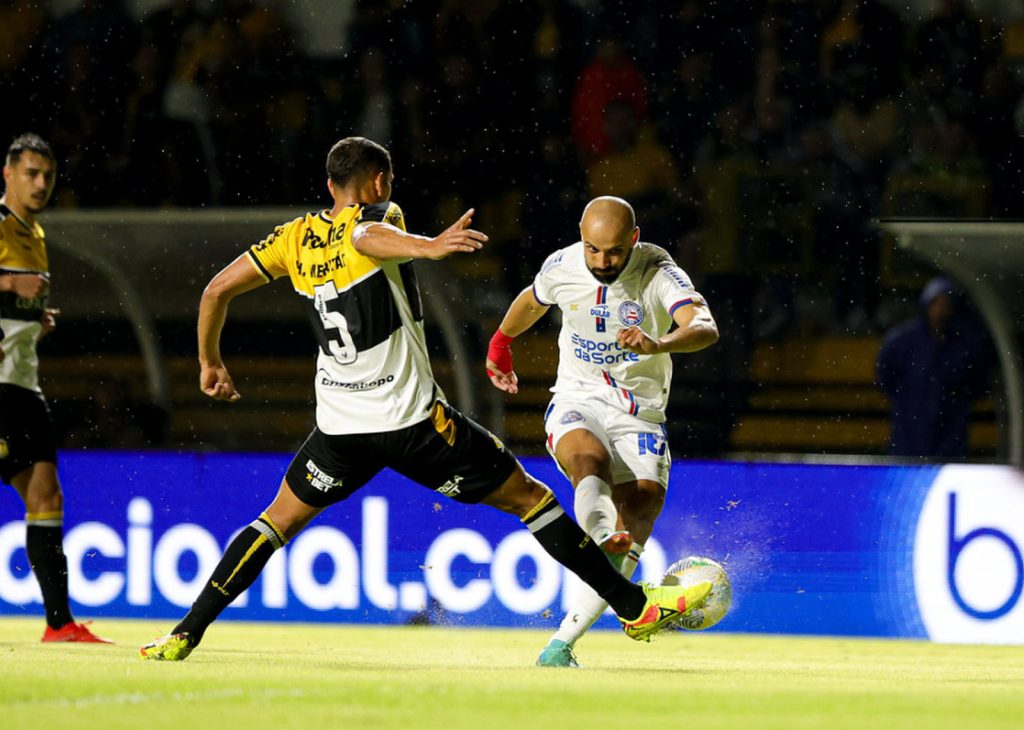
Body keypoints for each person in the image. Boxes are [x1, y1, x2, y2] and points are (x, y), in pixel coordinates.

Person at [139, 137, 711, 661]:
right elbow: (365, 237)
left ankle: (185, 630)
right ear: (379, 182)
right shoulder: (380, 217)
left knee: (275, 522)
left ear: (329, 183)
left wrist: (210, 361)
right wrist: (431, 246)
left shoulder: (290, 239)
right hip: (412, 423)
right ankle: (634, 608)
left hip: (339, 429)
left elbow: (215, 290)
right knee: (533, 500)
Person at [486, 196, 719, 668]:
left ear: (634, 239)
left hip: (640, 413)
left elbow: (705, 326)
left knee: (643, 503)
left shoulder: (657, 271)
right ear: (581, 237)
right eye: (593, 250)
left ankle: (560, 645)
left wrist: (659, 342)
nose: (602, 261)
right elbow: (532, 300)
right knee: (587, 461)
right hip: (578, 397)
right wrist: (501, 343)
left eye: (613, 252)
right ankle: (603, 533)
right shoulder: (562, 266)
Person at [0, 133, 111, 643]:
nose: (41, 183)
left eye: (47, 175)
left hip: (24, 384)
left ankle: (59, 623)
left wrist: (32, 319)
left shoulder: (36, 233)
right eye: (31, 173)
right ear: (8, 174)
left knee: (46, 494)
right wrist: (10, 285)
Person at [876, 276, 992, 459]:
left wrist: (957, 399)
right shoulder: (903, 341)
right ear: (926, 305)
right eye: (936, 304)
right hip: (911, 425)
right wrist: (906, 398)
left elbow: (978, 382)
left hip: (951, 428)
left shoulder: (966, 344)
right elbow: (885, 374)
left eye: (946, 304)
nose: (941, 310)